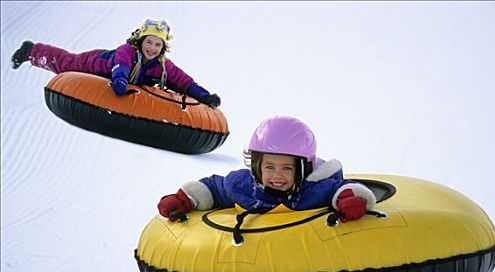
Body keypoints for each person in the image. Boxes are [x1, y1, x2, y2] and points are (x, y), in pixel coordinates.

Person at [157, 115, 376, 222]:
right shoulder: (244, 186)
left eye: (287, 169)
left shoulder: (312, 190)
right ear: (257, 165)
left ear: (301, 169)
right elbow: (214, 187)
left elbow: (337, 188)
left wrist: (348, 198)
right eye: (269, 167)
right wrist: (186, 198)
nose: (277, 176)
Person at [10, 19, 221, 107]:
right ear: (141, 41)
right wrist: (119, 83)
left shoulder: (163, 65)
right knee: (66, 64)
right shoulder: (127, 51)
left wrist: (205, 96)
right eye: (149, 42)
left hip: (117, 78)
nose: (152, 48)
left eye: (157, 45)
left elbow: (183, 81)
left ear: (163, 48)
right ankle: (32, 51)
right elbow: (121, 67)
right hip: (96, 64)